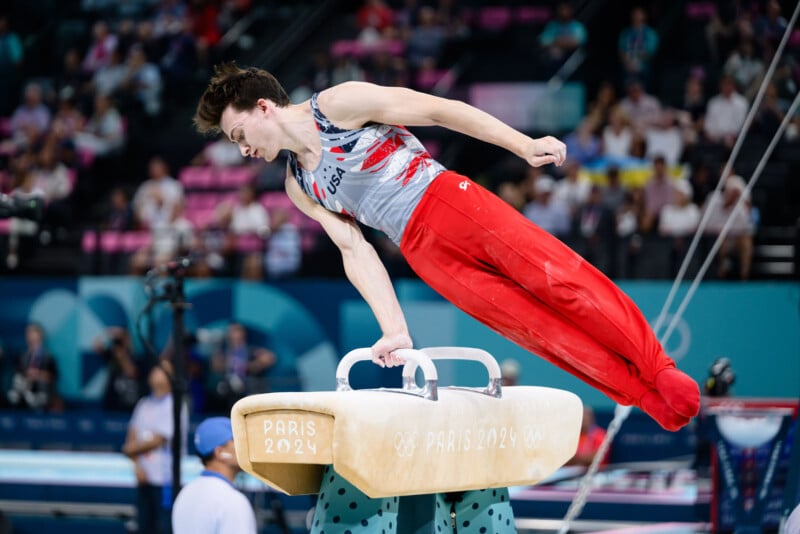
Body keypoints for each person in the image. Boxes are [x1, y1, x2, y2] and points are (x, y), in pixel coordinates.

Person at [193, 63, 700, 431]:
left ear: (263, 106)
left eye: (239, 133)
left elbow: (439, 110)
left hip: (448, 201)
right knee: (535, 329)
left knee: (560, 282)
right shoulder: (298, 187)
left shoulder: (337, 104)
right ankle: (643, 396)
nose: (242, 150)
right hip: (421, 252)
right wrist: (395, 329)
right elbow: (355, 250)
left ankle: (658, 368)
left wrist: (523, 146)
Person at [123, 360, 186, 534]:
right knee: (144, 526)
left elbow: (158, 439)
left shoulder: (175, 404)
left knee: (164, 527)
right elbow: (132, 434)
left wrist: (130, 450)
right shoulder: (144, 403)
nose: (155, 373)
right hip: (144, 477)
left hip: (164, 479)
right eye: (155, 369)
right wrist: (136, 465)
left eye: (162, 370)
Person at [171, 417, 257, 534]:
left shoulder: (184, 494)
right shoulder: (232, 500)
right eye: (238, 440)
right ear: (220, 453)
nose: (245, 447)